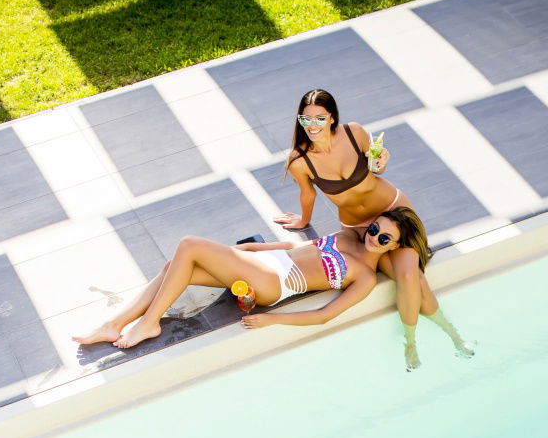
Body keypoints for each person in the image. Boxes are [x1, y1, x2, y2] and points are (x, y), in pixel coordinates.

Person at [273, 89, 474, 371]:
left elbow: (375, 166)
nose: (313, 126)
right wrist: (302, 221)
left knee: (409, 275)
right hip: (358, 227)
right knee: (414, 277)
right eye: (306, 120)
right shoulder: (300, 160)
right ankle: (430, 339)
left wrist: (382, 161)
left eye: (320, 118)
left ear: (332, 118)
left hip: (392, 211)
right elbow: (308, 195)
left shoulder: (355, 133)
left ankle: (432, 337)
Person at [72, 208, 428, 350]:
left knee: (189, 244)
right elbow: (298, 247)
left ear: (394, 247)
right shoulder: (349, 233)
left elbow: (325, 315)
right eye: (377, 227)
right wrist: (256, 249)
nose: (375, 236)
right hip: (270, 261)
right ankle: (114, 323)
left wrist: (274, 318)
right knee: (174, 266)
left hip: (275, 283)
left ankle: (149, 323)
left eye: (385, 239)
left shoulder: (364, 276)